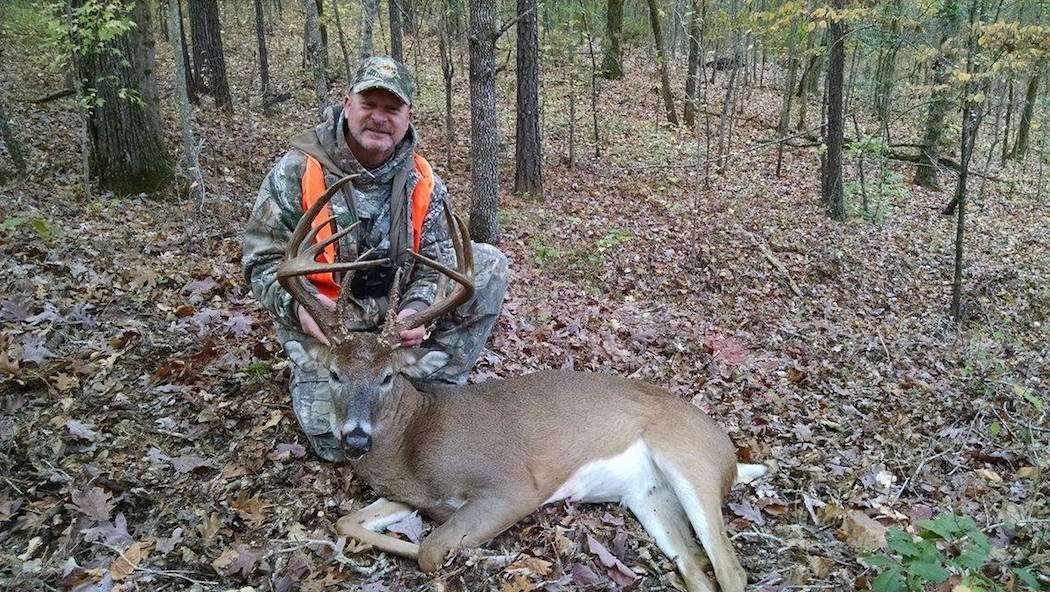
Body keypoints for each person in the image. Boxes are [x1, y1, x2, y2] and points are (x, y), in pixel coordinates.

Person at [242, 57, 508, 462]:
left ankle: (437, 386)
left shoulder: (423, 180)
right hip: (329, 326)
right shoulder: (295, 171)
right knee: (335, 446)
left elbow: (436, 259)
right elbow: (261, 261)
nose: (379, 118)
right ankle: (358, 385)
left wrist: (418, 309)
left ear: (408, 116)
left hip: (392, 325)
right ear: (347, 104)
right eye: (369, 104)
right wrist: (299, 309)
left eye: (391, 108)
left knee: (487, 264)